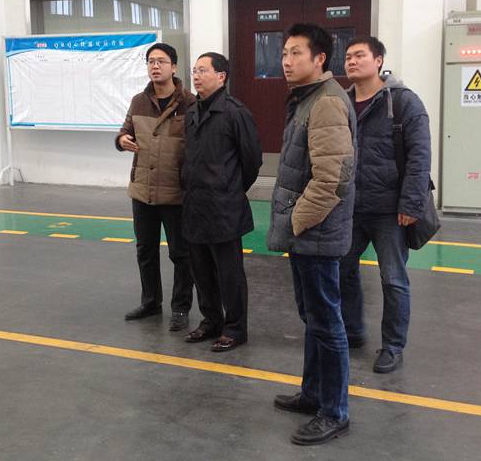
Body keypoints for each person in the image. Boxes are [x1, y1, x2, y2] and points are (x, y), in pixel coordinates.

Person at [267, 23, 356, 446]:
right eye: (284, 53)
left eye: (296, 53)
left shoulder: (326, 103)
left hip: (316, 232)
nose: (286, 61)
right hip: (307, 233)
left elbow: (332, 181)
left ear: (319, 58)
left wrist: (296, 222)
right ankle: (313, 394)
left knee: (327, 323)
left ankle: (334, 411)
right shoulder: (307, 99)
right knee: (314, 319)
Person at [340, 35, 432, 373]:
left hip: (390, 210)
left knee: (393, 278)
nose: (351, 61)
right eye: (348, 57)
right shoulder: (342, 101)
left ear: (378, 60)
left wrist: (411, 204)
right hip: (351, 206)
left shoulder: (404, 101)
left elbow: (420, 156)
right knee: (342, 270)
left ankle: (393, 346)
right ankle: (352, 331)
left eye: (359, 55)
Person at [181, 52, 262, 352]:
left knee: (229, 273)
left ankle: (235, 328)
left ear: (221, 76)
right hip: (195, 205)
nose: (196, 76)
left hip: (224, 207)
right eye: (194, 70)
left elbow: (252, 160)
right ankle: (211, 321)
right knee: (201, 271)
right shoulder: (192, 112)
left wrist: (230, 188)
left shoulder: (235, 112)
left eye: (203, 70)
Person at [116, 42, 197, 332]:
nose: (155, 66)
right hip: (143, 190)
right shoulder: (138, 101)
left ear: (174, 67)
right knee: (145, 250)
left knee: (181, 253)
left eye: (161, 61)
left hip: (176, 191)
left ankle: (180, 307)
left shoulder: (190, 102)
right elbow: (125, 131)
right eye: (151, 61)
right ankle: (150, 302)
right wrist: (121, 140)